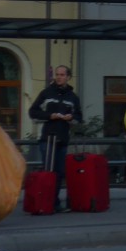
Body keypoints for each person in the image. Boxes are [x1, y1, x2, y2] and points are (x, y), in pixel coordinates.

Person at [28, 65, 84, 213]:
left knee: (59, 172)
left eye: (62, 75)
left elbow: (79, 117)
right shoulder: (46, 93)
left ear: (68, 77)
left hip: (63, 138)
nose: (59, 77)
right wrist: (49, 116)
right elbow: (33, 112)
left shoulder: (73, 97)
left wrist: (71, 117)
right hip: (48, 137)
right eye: (57, 75)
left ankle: (54, 202)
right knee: (48, 171)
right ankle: (45, 202)